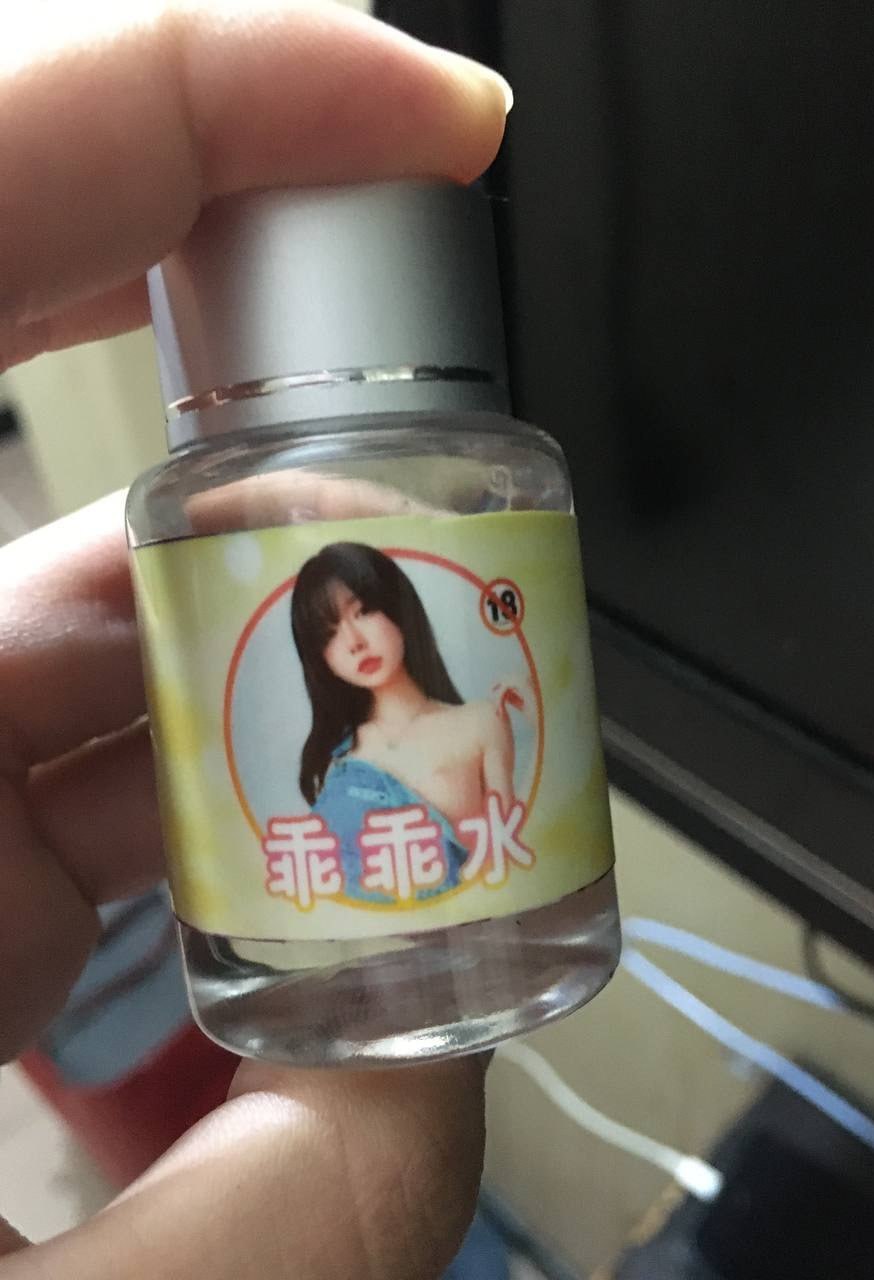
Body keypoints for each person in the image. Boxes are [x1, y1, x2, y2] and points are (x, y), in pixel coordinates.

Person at [0, 3, 510, 1276]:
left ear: (403, 615)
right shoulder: (326, 768)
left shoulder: (483, 717)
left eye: (369, 606)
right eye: (327, 627)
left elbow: (492, 843)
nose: (357, 635)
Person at [292, 543, 520, 900]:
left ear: (396, 605)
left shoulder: (479, 723)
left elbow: (510, 859)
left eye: (363, 611)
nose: (353, 642)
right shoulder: (339, 763)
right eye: (329, 633)